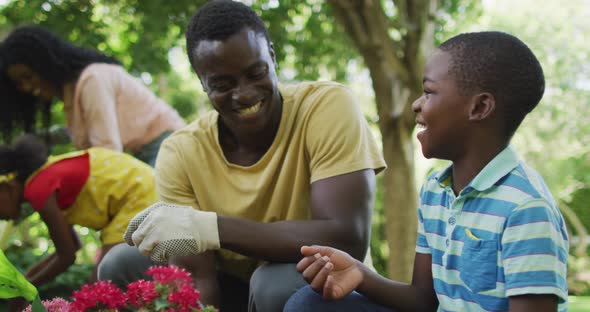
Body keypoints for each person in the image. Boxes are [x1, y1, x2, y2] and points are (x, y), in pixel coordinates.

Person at [97, 0, 386, 311]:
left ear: (272, 57)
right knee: (120, 263)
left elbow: (346, 238)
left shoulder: (326, 106)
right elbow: (196, 277)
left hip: (316, 288)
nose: (245, 93)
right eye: (223, 84)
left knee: (271, 284)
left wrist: (206, 228)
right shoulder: (181, 151)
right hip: (232, 289)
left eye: (256, 72)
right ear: (202, 82)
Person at [284, 31, 569, 312]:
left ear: (480, 107)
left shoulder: (527, 208)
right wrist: (360, 273)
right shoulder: (436, 189)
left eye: (429, 92)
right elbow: (423, 300)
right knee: (308, 303)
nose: (416, 104)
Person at [0, 134, 158, 311]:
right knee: (101, 290)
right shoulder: (44, 178)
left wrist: (25, 289)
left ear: (7, 187)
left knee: (99, 290)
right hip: (144, 190)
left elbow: (66, 256)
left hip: (137, 197)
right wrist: (25, 282)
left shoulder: (39, 190)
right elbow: (72, 246)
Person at [0, 25, 185, 166]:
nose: (26, 87)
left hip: (168, 149)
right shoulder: (72, 94)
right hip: (149, 154)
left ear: (45, 64)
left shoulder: (92, 81)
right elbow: (82, 131)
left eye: (28, 76)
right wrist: (42, 138)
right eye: (18, 83)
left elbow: (107, 152)